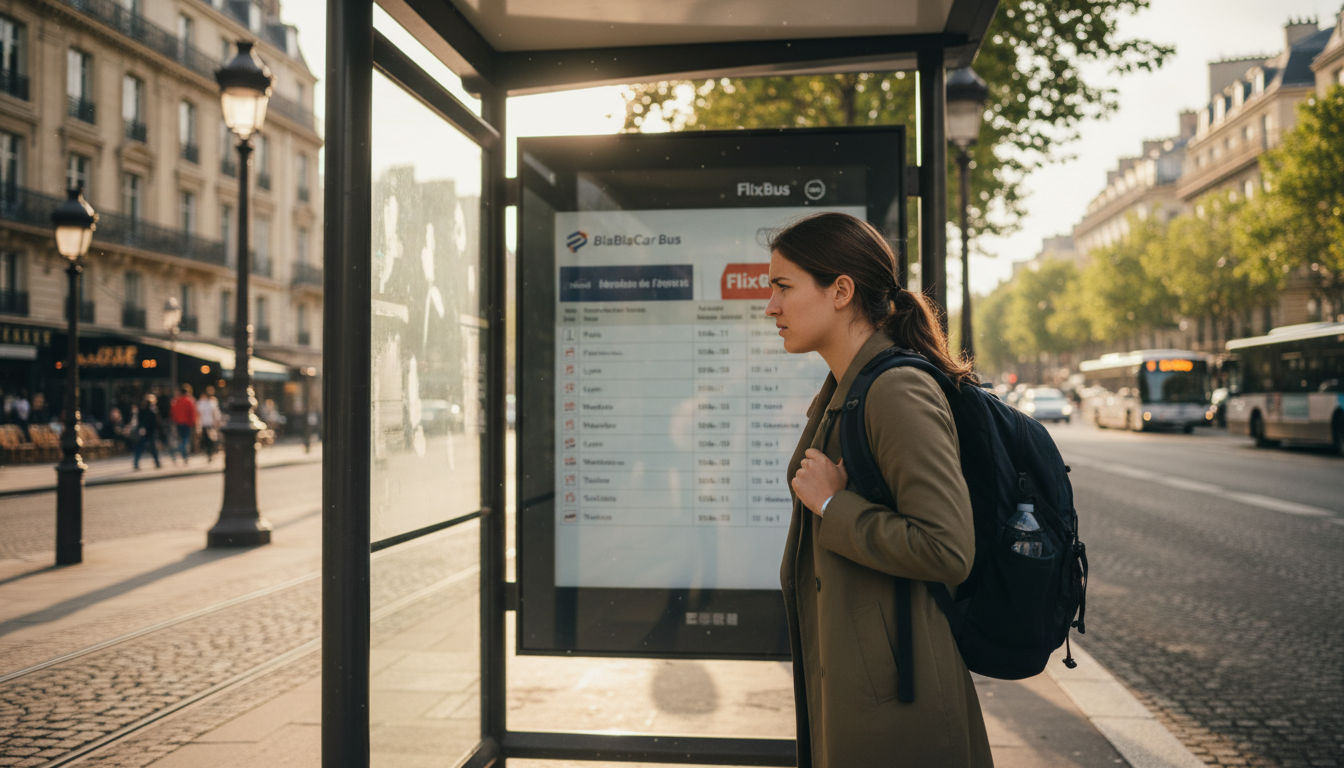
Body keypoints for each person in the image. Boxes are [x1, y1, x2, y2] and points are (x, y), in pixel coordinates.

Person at [766, 212, 990, 767]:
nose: (771, 306)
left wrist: (833, 505)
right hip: (870, 689)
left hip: (899, 708)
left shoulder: (895, 390)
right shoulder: (851, 387)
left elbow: (947, 548)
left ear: (841, 291)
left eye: (783, 287)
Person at [169, 384, 198, 464]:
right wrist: (193, 422)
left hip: (178, 423)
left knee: (180, 438)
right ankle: (182, 451)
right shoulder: (189, 400)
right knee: (185, 439)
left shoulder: (176, 401)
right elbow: (192, 412)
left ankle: (180, 453)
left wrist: (174, 421)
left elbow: (172, 413)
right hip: (187, 423)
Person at [133, 394, 162, 470]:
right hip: (148, 432)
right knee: (149, 448)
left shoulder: (144, 410)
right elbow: (155, 423)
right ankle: (156, 463)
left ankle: (136, 463)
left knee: (143, 447)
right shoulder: (151, 411)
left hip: (146, 431)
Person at [196, 386, 221, 462]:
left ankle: (209, 452)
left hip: (205, 424)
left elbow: (198, 414)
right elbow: (216, 414)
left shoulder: (201, 403)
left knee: (207, 439)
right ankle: (210, 452)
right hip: (209, 423)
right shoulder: (212, 403)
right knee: (210, 439)